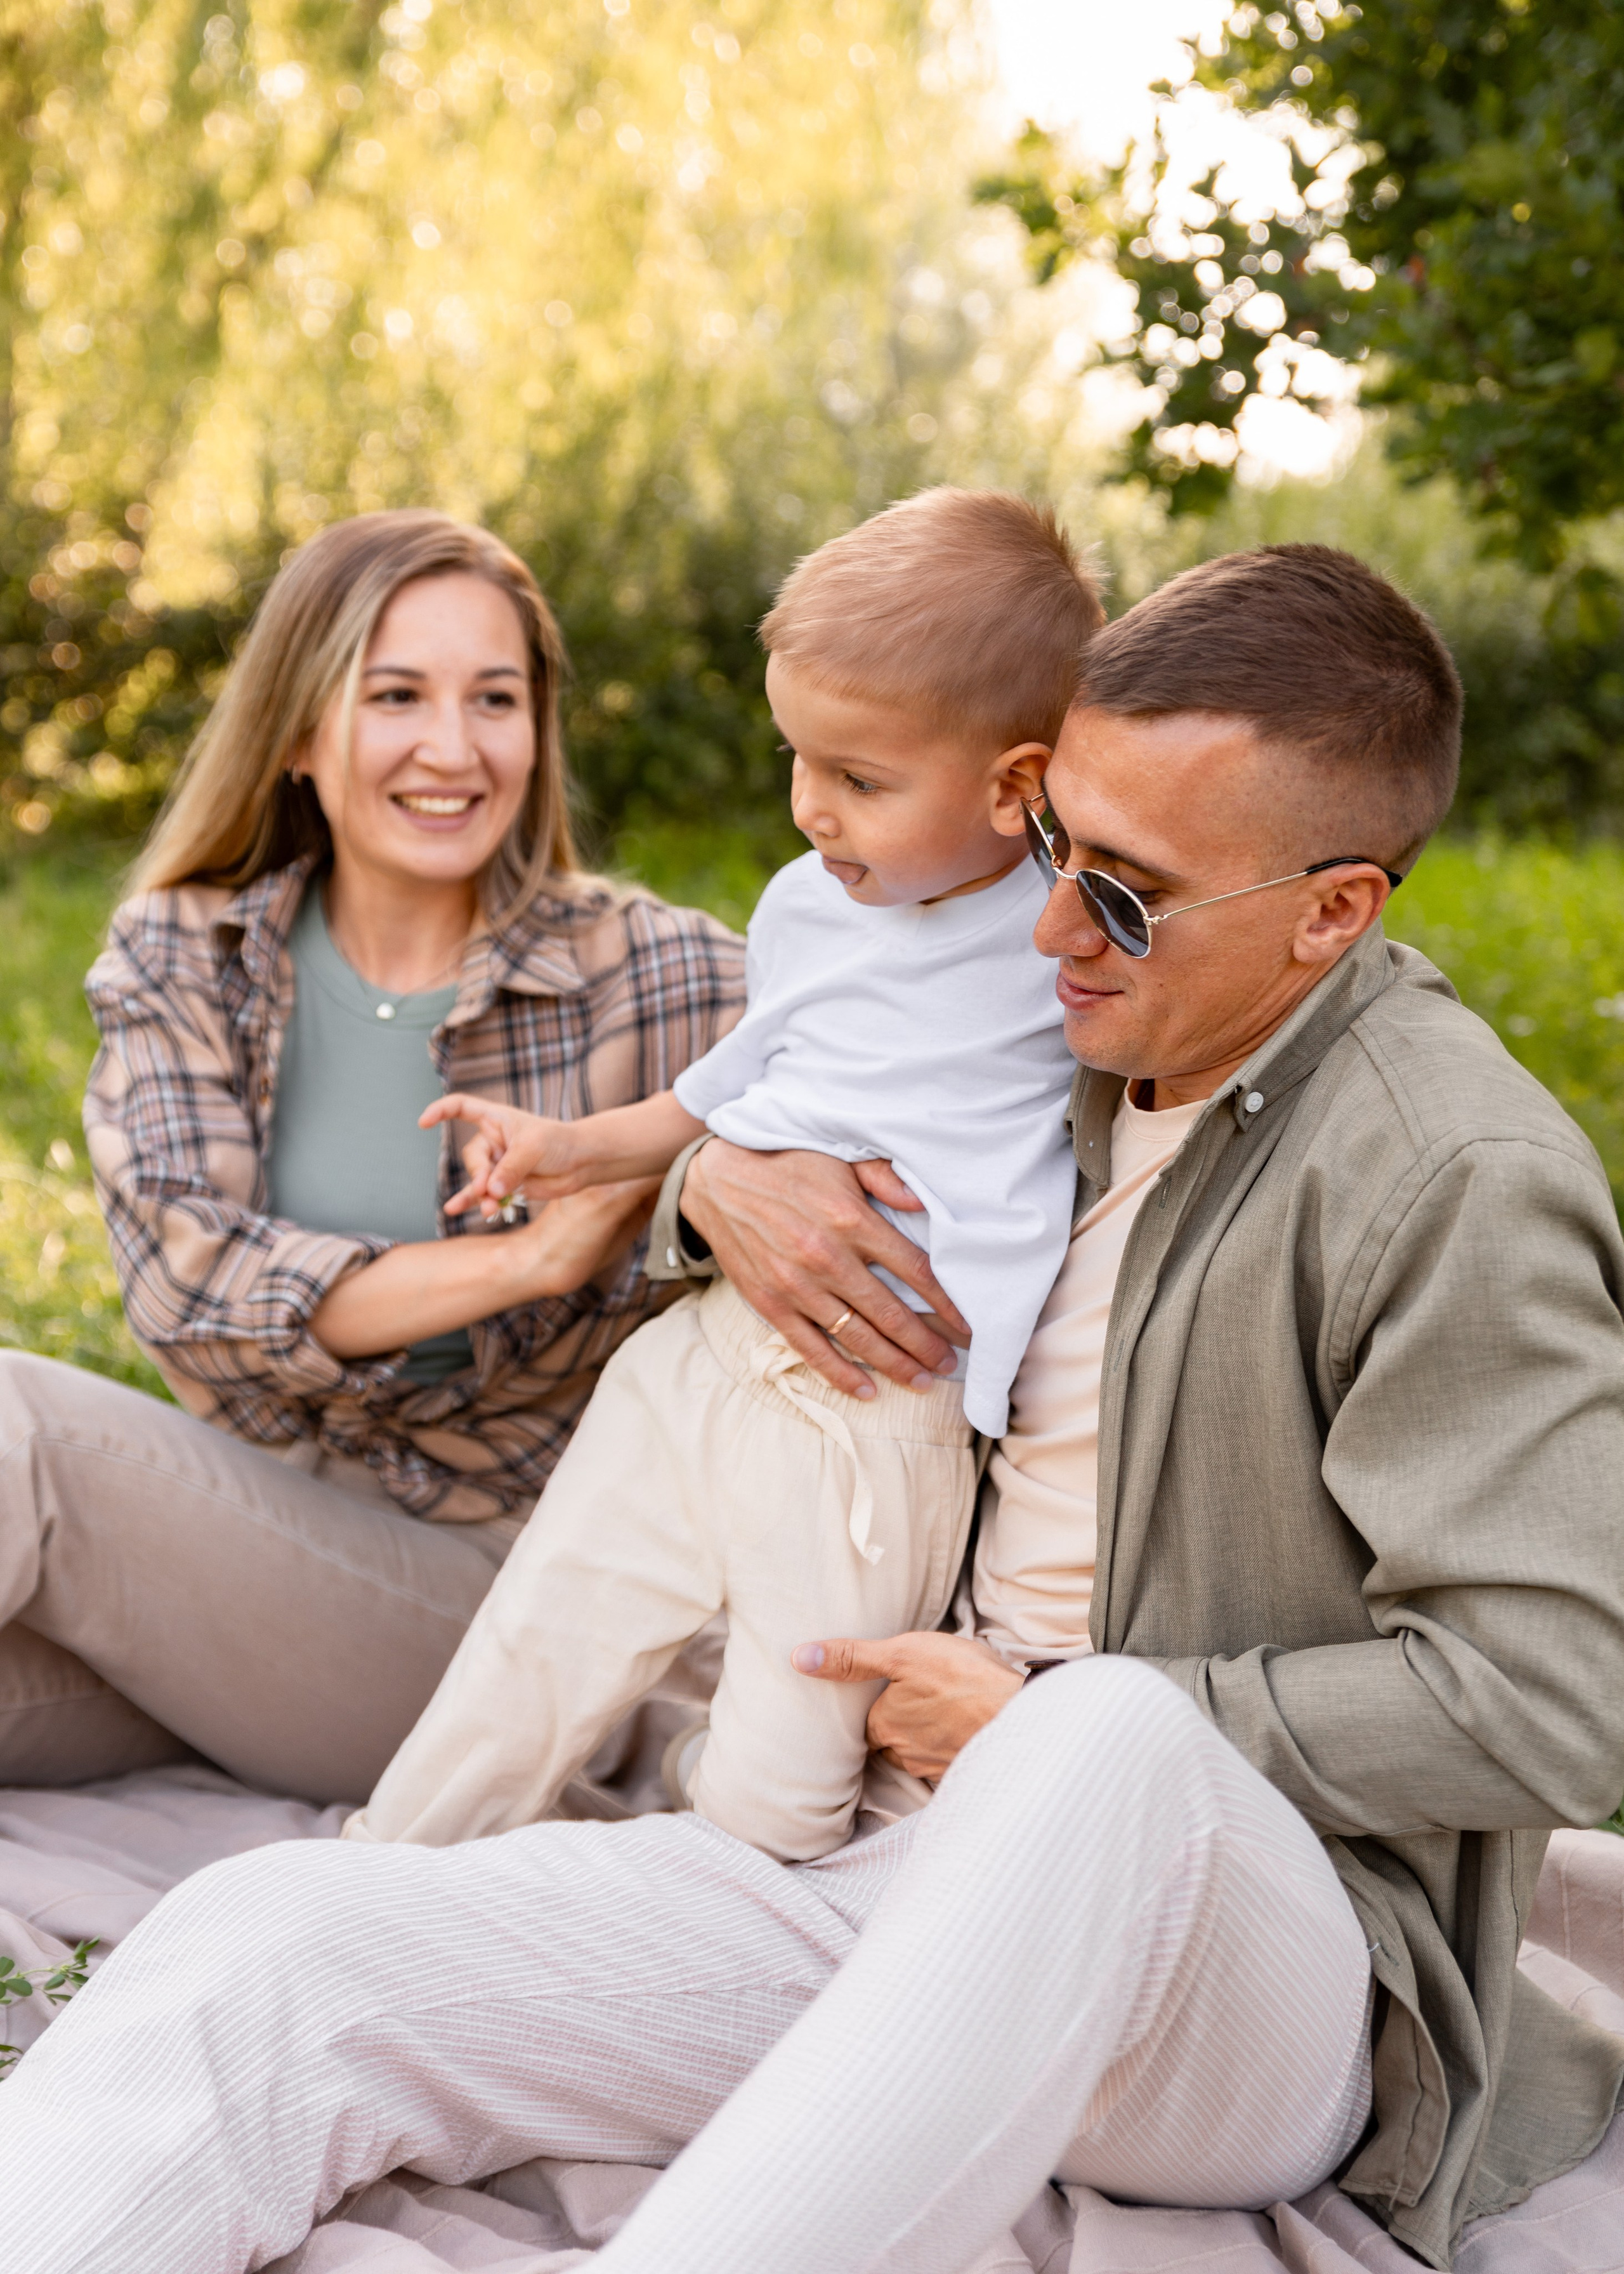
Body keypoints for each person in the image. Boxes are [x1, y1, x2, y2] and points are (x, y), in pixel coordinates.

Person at [4, 543, 1623, 2274]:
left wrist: (1039, 1712)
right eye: (1057, 845)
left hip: (1251, 1971)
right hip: (885, 1857)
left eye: (1130, 893)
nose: (1054, 923)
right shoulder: (1064, 1023)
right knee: (274, 1943)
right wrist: (712, 1173)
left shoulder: (1450, 1172)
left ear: (1335, 909)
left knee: (1105, 1741)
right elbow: (833, 1081)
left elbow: (1553, 1699)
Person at [342, 490, 1103, 1865]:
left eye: (859, 778)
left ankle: (670, 1930)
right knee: (527, 1657)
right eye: (794, 756)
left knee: (783, 1794)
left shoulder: (1065, 938)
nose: (810, 805)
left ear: (1015, 784)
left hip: (877, 1405)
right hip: (702, 1350)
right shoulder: (811, 901)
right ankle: (355, 1893)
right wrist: (575, 1148)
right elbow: (734, 1083)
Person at [0, 509, 744, 1804]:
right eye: (394, 695)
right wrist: (532, 1259)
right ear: (296, 730)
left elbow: (875, 1072)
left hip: (508, 1610)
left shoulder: (653, 971)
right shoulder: (187, 957)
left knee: (15, 1428)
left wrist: (739, 1176)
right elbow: (192, 1289)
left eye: (494, 700)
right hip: (246, 1579)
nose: (451, 749)